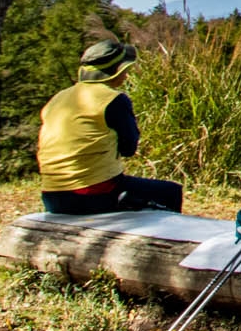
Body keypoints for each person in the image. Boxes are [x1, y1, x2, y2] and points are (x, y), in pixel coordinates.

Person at [37, 40, 183, 215]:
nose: (127, 74)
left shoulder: (58, 98)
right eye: (125, 69)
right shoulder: (113, 99)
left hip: (51, 195)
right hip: (91, 194)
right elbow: (128, 148)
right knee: (171, 192)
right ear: (116, 71)